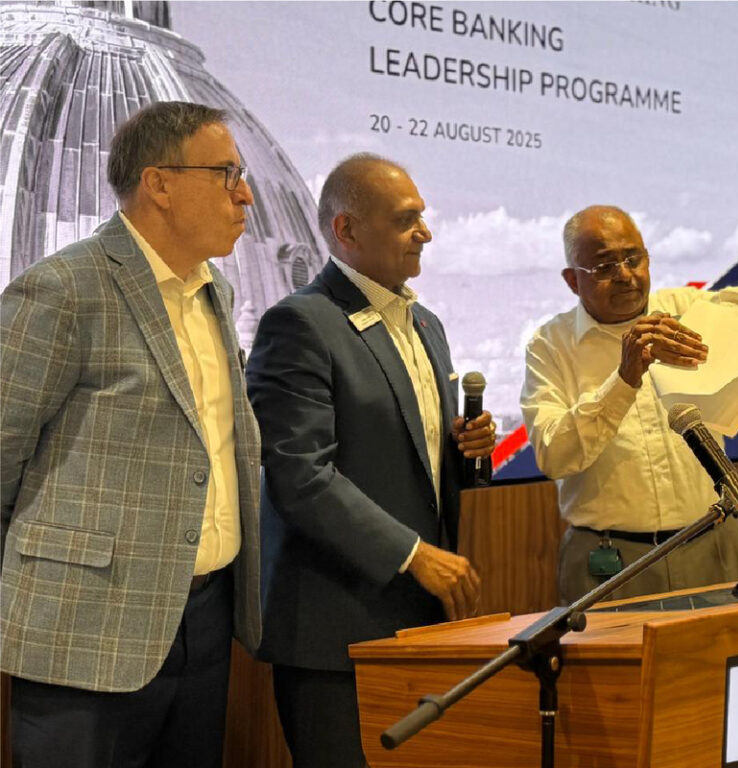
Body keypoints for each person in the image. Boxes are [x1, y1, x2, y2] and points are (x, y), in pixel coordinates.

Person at [0, 101, 262, 768]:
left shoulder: (216, 293)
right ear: (160, 184)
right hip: (82, 634)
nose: (245, 195)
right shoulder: (62, 289)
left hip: (205, 622)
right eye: (227, 174)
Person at [246, 153, 496, 768]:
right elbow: (299, 474)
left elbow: (409, 458)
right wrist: (415, 554)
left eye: (423, 217)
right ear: (347, 230)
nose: (425, 233)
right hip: (337, 632)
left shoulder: (426, 325)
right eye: (406, 219)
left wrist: (466, 448)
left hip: (422, 620)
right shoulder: (299, 322)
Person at [521, 204, 738, 604]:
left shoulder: (687, 311)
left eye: (634, 258)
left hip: (713, 544)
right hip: (612, 561)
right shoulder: (550, 345)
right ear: (572, 280)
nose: (625, 274)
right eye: (605, 266)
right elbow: (554, 456)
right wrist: (623, 380)